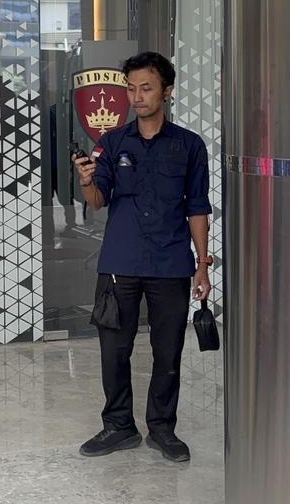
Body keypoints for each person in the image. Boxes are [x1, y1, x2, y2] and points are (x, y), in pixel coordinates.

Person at [71, 51, 214, 463]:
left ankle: (163, 429)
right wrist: (86, 181)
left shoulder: (189, 145)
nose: (137, 96)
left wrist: (202, 264)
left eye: (146, 88)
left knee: (167, 350)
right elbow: (98, 200)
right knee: (113, 350)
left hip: (171, 262)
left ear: (166, 91)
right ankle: (118, 426)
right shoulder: (113, 142)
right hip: (120, 261)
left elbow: (197, 207)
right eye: (131, 89)